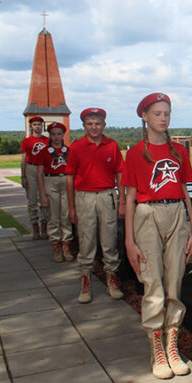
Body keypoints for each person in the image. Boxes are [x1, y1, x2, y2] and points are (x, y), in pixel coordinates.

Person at [123, 93, 192, 380]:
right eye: (157, 113)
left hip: (176, 213)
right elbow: (129, 197)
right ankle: (156, 346)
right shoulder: (134, 154)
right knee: (152, 280)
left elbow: (183, 188)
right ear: (144, 116)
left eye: (167, 113)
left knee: (174, 279)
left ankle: (172, 344)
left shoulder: (179, 150)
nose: (163, 118)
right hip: (147, 214)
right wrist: (130, 240)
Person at [66, 107, 125, 304]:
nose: (94, 127)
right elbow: (70, 177)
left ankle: (112, 277)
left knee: (109, 237)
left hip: (107, 195)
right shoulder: (77, 146)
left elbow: (120, 174)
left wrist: (122, 200)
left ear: (104, 125)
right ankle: (85, 279)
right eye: (90, 124)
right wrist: (72, 207)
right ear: (84, 126)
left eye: (98, 123)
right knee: (86, 238)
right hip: (84, 196)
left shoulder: (112, 145)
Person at [37, 122, 74, 262]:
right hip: (50, 181)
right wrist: (42, 194)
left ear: (63, 135)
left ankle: (67, 245)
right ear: (49, 136)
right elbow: (39, 173)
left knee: (66, 214)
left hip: (65, 181)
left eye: (59, 134)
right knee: (53, 216)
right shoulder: (44, 152)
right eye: (53, 134)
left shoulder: (68, 151)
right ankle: (56, 246)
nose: (56, 137)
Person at [20, 116, 49, 239]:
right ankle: (35, 226)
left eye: (40, 124)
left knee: (45, 198)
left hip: (43, 169)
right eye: (35, 124)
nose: (38, 127)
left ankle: (44, 226)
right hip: (31, 168)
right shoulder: (27, 141)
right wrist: (23, 176)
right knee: (32, 200)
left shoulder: (47, 140)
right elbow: (24, 159)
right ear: (31, 126)